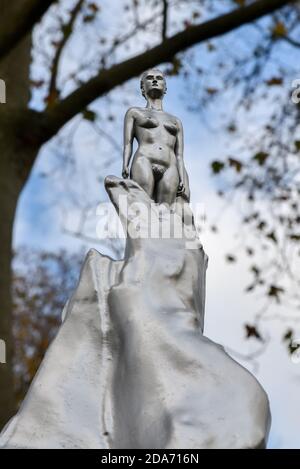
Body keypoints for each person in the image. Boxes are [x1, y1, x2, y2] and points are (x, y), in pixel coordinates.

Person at [122, 69, 190, 208]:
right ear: (142, 87)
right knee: (143, 208)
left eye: (159, 78)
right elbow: (128, 143)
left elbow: (179, 155)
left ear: (165, 87)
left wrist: (182, 177)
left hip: (170, 165)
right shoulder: (134, 113)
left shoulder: (175, 121)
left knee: (166, 214)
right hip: (144, 159)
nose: (154, 80)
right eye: (150, 78)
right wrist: (125, 164)